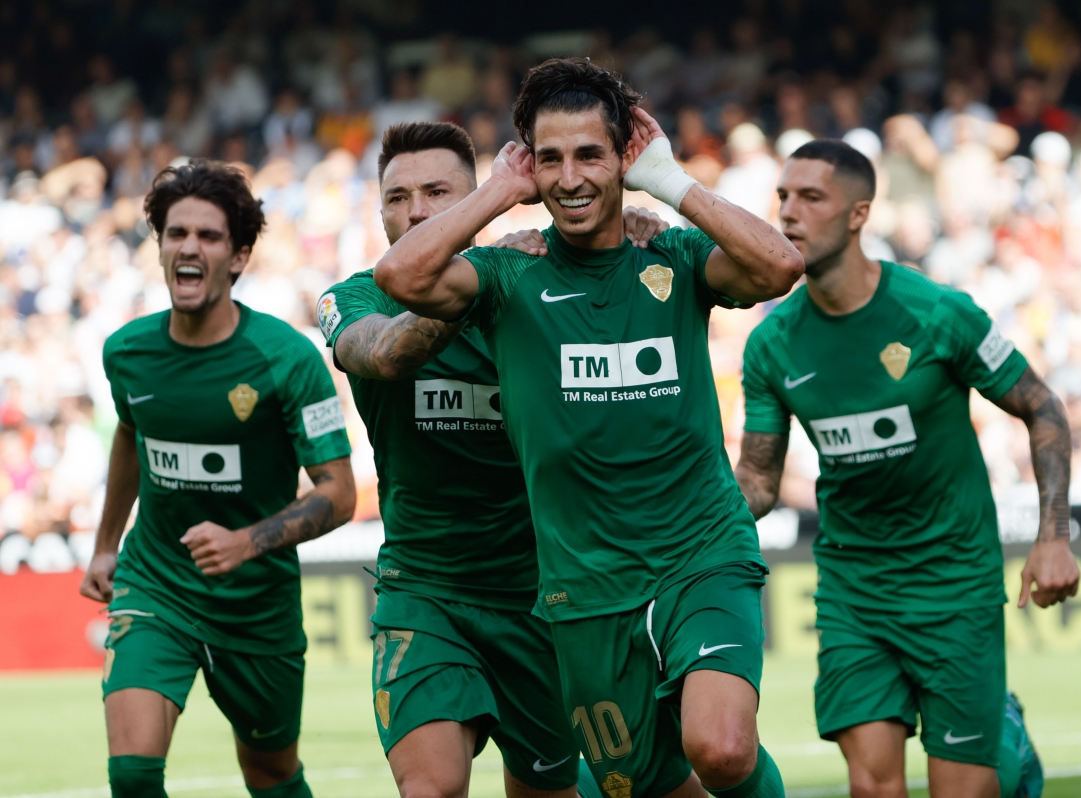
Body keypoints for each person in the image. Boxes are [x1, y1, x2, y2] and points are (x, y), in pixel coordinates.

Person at [373, 57, 804, 798]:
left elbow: (778, 267)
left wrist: (670, 183)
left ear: (622, 159)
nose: (570, 178)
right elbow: (400, 279)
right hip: (583, 589)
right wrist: (500, 194)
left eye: (589, 155)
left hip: (697, 552)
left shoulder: (670, 254)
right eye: (549, 159)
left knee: (722, 747)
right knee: (644, 786)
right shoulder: (508, 279)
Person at [317, 120, 667, 798]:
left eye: (436, 192)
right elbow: (385, 354)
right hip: (426, 593)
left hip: (543, 600)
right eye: (396, 197)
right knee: (432, 787)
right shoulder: (351, 297)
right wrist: (479, 271)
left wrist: (630, 245)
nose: (414, 210)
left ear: (473, 195)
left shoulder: (536, 292)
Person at [734, 140, 1081, 798]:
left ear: (860, 213)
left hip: (955, 584)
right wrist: (667, 515)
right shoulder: (771, 344)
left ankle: (1004, 741)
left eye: (811, 197)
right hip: (853, 591)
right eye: (783, 196)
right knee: (873, 788)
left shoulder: (939, 313)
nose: (788, 213)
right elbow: (756, 481)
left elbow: (1043, 408)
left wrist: (1053, 535)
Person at [80, 160, 357, 798]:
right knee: (133, 772)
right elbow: (130, 437)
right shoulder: (126, 352)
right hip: (157, 584)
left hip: (256, 606)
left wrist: (245, 543)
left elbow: (339, 493)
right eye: (176, 233)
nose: (189, 247)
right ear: (159, 247)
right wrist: (104, 544)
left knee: (271, 773)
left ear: (238, 256)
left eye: (208, 236)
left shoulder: (287, 360)